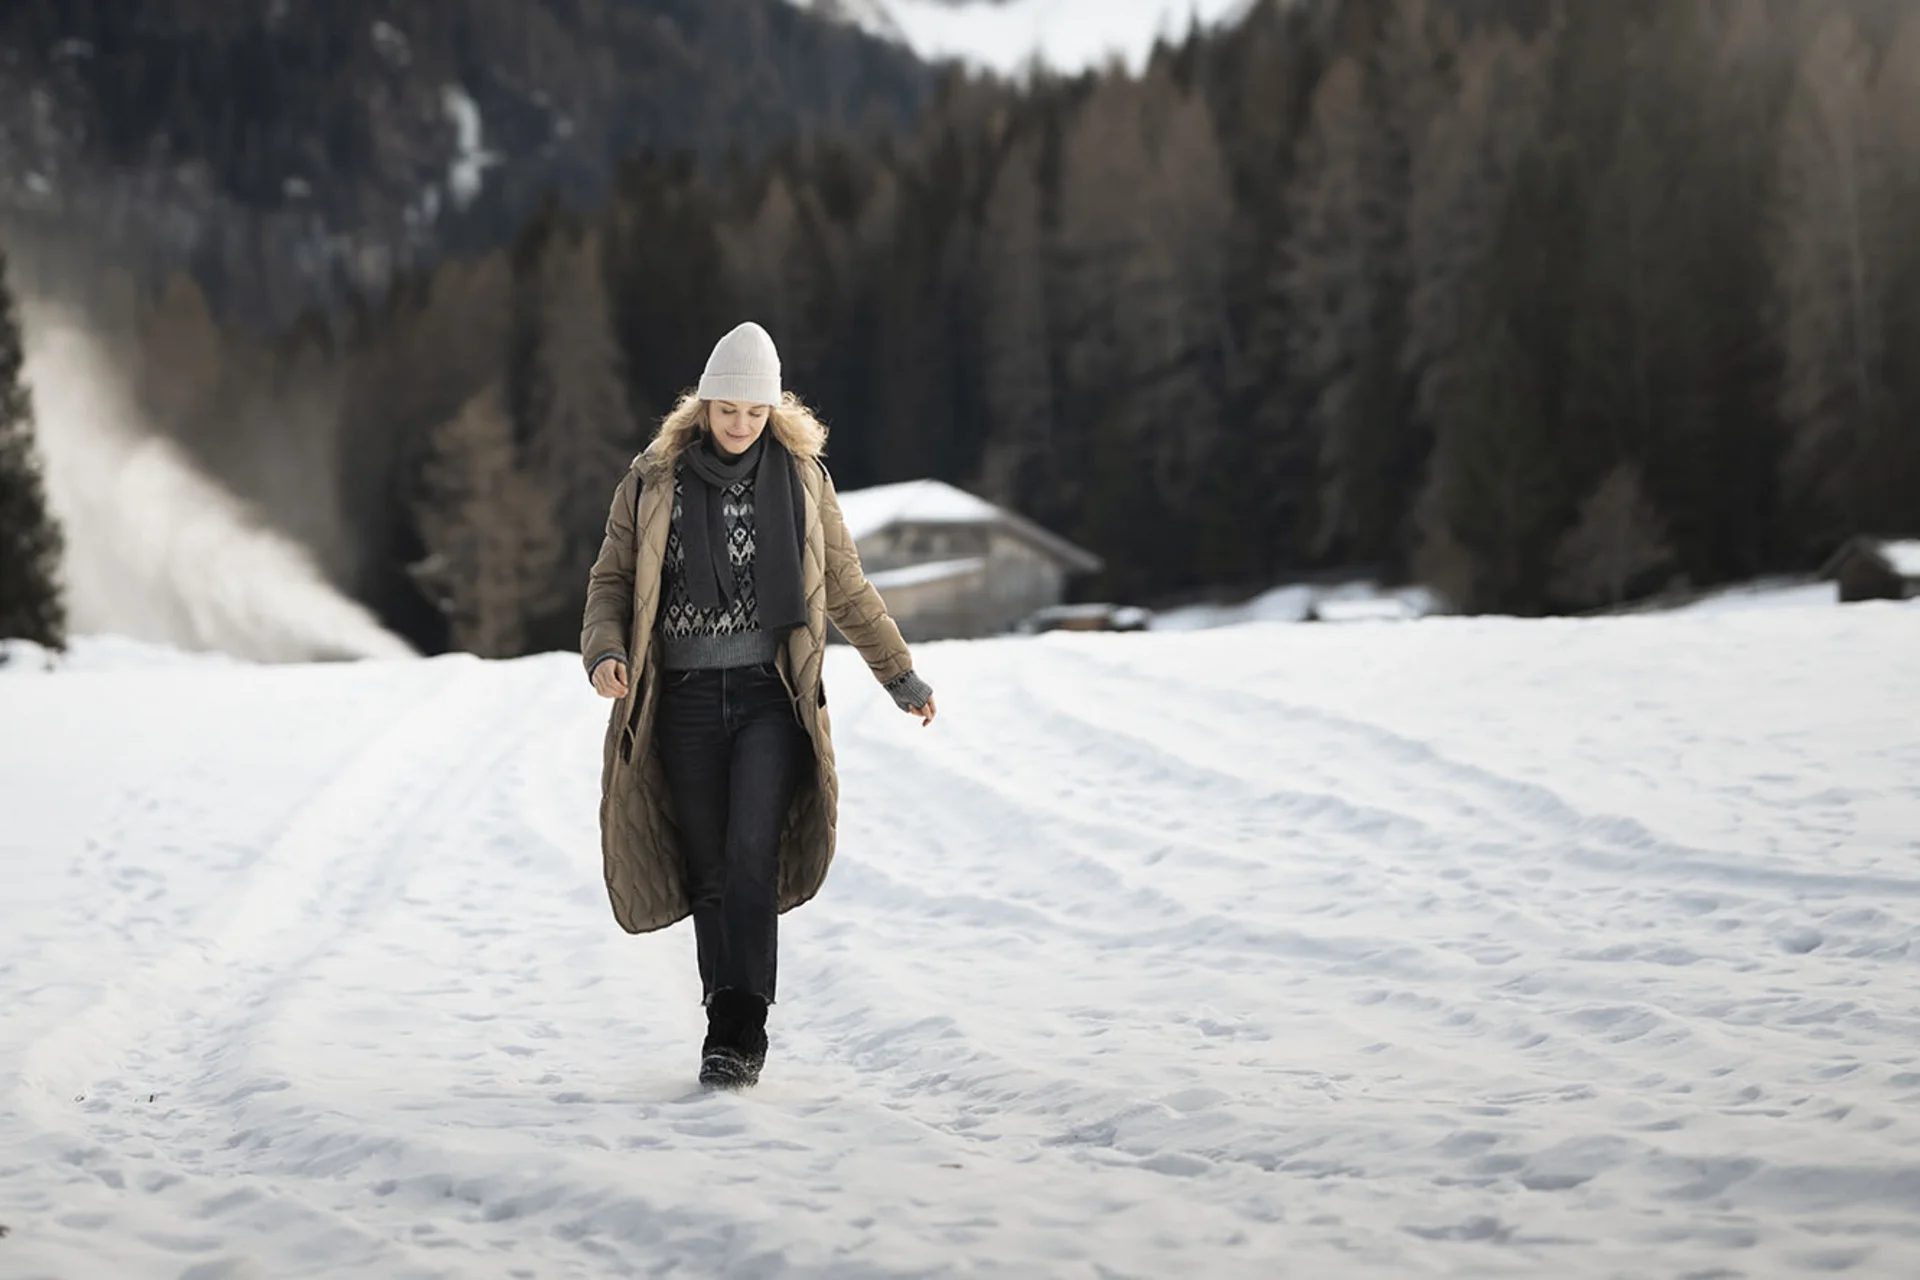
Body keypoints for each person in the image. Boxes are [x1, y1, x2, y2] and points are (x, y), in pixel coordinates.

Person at [580, 321, 938, 1089]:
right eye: (727, 409)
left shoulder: (802, 479)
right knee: (708, 865)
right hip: (680, 697)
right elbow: (612, 581)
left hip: (770, 697)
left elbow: (843, 585)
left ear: (774, 412)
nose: (739, 425)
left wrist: (899, 674)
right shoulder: (651, 482)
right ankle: (723, 1018)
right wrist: (606, 653)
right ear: (703, 406)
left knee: (751, 855)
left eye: (754, 411)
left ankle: (743, 1027)